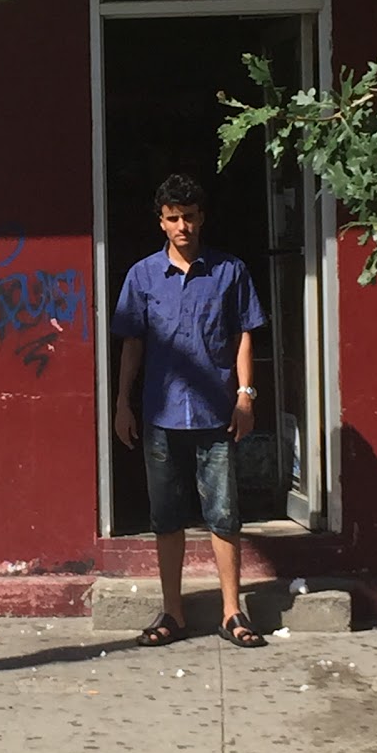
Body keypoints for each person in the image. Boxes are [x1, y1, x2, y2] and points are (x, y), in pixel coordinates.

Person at [112, 173, 268, 649]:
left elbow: (245, 332)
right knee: (166, 517)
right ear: (161, 222)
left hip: (216, 414)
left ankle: (231, 611)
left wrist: (246, 395)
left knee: (223, 515)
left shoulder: (229, 271)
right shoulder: (142, 276)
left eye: (190, 217)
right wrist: (122, 403)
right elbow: (133, 344)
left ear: (202, 218)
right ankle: (173, 612)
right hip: (160, 413)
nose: (183, 226)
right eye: (173, 218)